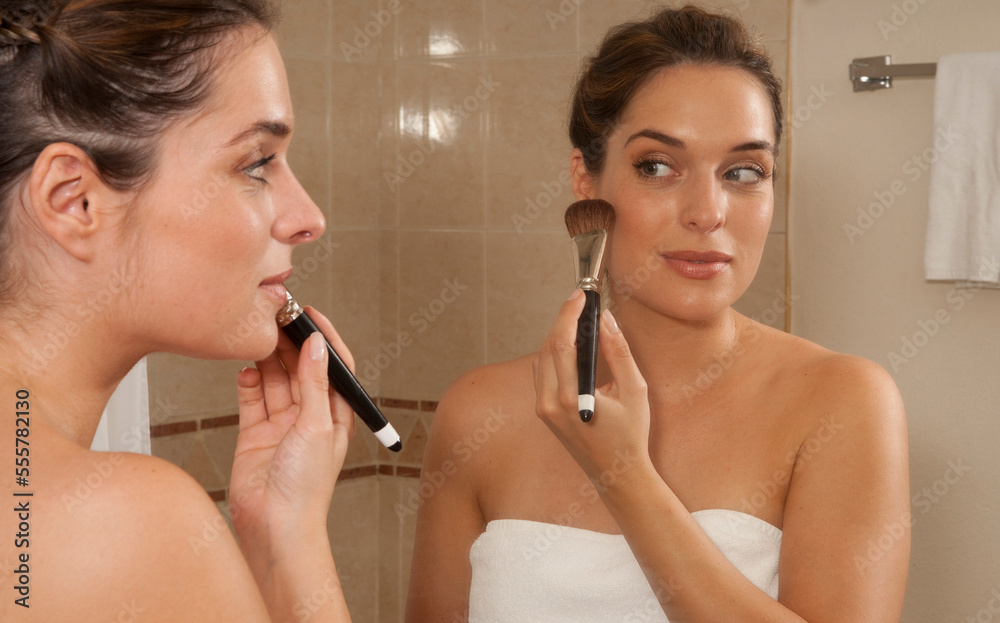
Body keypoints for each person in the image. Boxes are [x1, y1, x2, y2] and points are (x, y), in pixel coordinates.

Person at [406, 5, 910, 622]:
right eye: (658, 167)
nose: (708, 212)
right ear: (585, 180)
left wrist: (623, 474)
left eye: (744, 171)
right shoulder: (477, 413)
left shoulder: (841, 404)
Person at [0, 1, 356, 620]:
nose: (309, 219)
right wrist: (295, 543)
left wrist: (278, 523)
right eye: (256, 163)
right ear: (74, 201)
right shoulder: (124, 525)